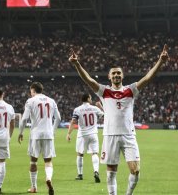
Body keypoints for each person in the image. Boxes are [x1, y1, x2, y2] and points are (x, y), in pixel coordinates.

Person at [69, 45, 169, 195]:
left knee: (135, 171)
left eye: (118, 73)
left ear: (122, 76)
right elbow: (88, 79)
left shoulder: (131, 90)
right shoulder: (104, 91)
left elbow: (147, 78)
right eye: (113, 73)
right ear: (109, 77)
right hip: (110, 135)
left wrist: (160, 62)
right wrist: (77, 64)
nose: (116, 75)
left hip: (129, 135)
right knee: (111, 172)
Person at [18, 82, 61, 195]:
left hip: (35, 135)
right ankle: (48, 178)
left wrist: (20, 133)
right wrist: (53, 131)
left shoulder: (30, 101)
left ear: (33, 90)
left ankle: (34, 187)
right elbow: (58, 118)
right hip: (48, 134)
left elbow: (24, 119)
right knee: (48, 161)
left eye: (30, 90)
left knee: (33, 161)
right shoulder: (51, 101)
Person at [66, 93, 104, 182]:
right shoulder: (95, 108)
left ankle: (80, 174)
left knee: (80, 154)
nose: (91, 99)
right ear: (87, 98)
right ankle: (96, 171)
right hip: (93, 134)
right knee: (94, 153)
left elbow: (73, 122)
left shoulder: (77, 109)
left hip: (82, 135)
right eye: (90, 98)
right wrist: (100, 106)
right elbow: (105, 114)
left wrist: (68, 133)